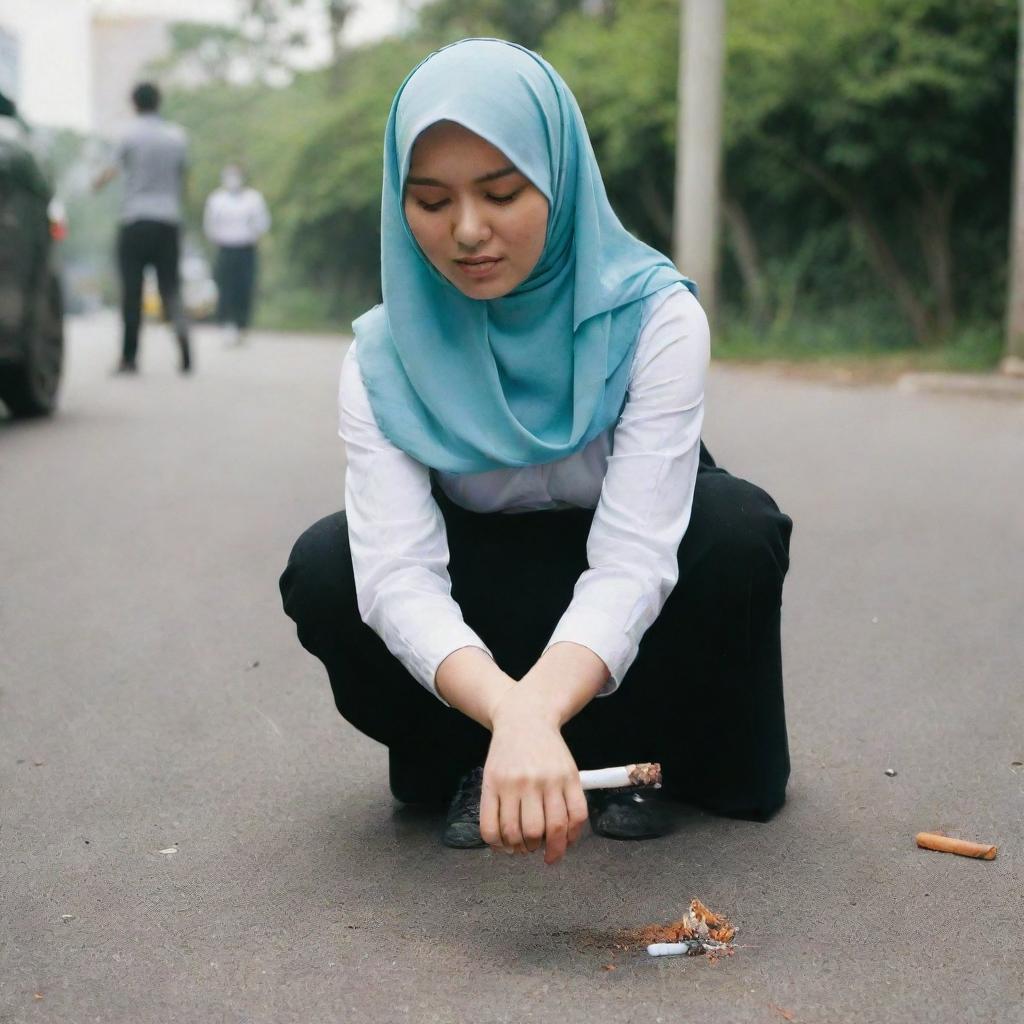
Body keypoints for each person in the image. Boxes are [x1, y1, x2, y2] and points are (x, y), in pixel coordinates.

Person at [280, 39, 793, 865]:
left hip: (641, 622)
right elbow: (397, 574)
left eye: (502, 191)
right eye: (431, 200)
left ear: (560, 176)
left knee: (735, 528)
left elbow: (633, 558)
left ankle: (639, 751)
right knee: (329, 566)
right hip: (482, 635)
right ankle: (471, 758)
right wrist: (508, 714)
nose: (468, 232)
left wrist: (533, 713)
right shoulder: (382, 357)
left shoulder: (656, 320)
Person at [93, 81, 191, 375]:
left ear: (134, 104)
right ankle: (183, 341)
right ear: (159, 102)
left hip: (135, 221)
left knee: (132, 292)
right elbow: (184, 178)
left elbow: (109, 172)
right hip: (168, 222)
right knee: (170, 288)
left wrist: (95, 184)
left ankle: (129, 357)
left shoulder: (129, 136)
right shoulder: (176, 137)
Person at [203, 165, 271, 346]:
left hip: (246, 249)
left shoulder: (253, 198)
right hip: (225, 249)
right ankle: (226, 324)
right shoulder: (216, 199)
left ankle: (242, 325)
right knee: (225, 288)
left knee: (244, 288)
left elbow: (262, 223)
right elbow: (210, 225)